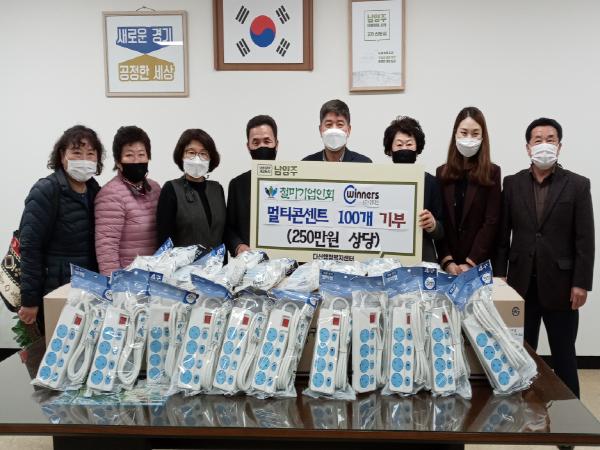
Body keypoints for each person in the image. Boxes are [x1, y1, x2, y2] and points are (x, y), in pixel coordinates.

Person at [495, 118, 594, 398]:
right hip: (520, 285)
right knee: (520, 353)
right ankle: (521, 409)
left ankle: (570, 415)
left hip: (562, 286)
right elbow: (503, 235)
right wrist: (499, 275)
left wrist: (581, 283)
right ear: (528, 147)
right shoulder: (512, 184)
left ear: (559, 146)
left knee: (564, 354)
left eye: (550, 139)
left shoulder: (577, 185)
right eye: (537, 140)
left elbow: (585, 238)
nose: (544, 145)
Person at [18, 125, 104, 332]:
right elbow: (30, 247)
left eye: (90, 154)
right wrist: (30, 301)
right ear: (62, 156)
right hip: (55, 290)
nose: (84, 159)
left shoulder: (95, 191)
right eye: (77, 153)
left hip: (89, 289)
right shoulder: (46, 190)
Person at [436, 106, 501, 275]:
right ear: (455, 134)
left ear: (483, 136)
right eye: (464, 133)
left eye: (475, 133)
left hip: (478, 264)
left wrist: (471, 262)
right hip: (449, 265)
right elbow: (439, 219)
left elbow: (491, 221)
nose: (469, 138)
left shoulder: (492, 172)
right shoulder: (442, 172)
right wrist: (447, 260)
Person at [94, 126, 161, 275]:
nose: (136, 160)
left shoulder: (155, 189)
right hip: (128, 279)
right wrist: (115, 282)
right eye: (129, 155)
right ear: (118, 161)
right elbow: (107, 248)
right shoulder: (110, 194)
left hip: (155, 276)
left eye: (141, 154)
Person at [383, 116, 444, 263]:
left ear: (417, 149)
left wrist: (433, 225)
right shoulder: (380, 181)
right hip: (386, 258)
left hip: (423, 258)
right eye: (399, 144)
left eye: (409, 144)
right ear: (390, 149)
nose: (404, 148)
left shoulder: (431, 182)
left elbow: (442, 231)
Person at [156, 129, 226, 249]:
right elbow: (164, 240)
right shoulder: (171, 189)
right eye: (191, 152)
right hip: (183, 261)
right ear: (181, 155)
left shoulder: (217, 189)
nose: (197, 159)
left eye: (203, 153)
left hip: (217, 260)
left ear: (210, 158)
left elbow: (223, 234)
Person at [225, 115, 278, 256]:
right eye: (256, 142)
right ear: (248, 147)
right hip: (249, 263)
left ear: (276, 144)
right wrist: (238, 246)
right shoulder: (237, 185)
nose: (262, 146)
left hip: (287, 263)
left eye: (267, 141)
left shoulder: (294, 181)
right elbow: (228, 228)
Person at [302, 99, 371, 162]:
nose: (334, 130)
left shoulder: (364, 163)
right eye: (329, 124)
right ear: (320, 130)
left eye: (340, 124)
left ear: (349, 130)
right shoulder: (307, 163)